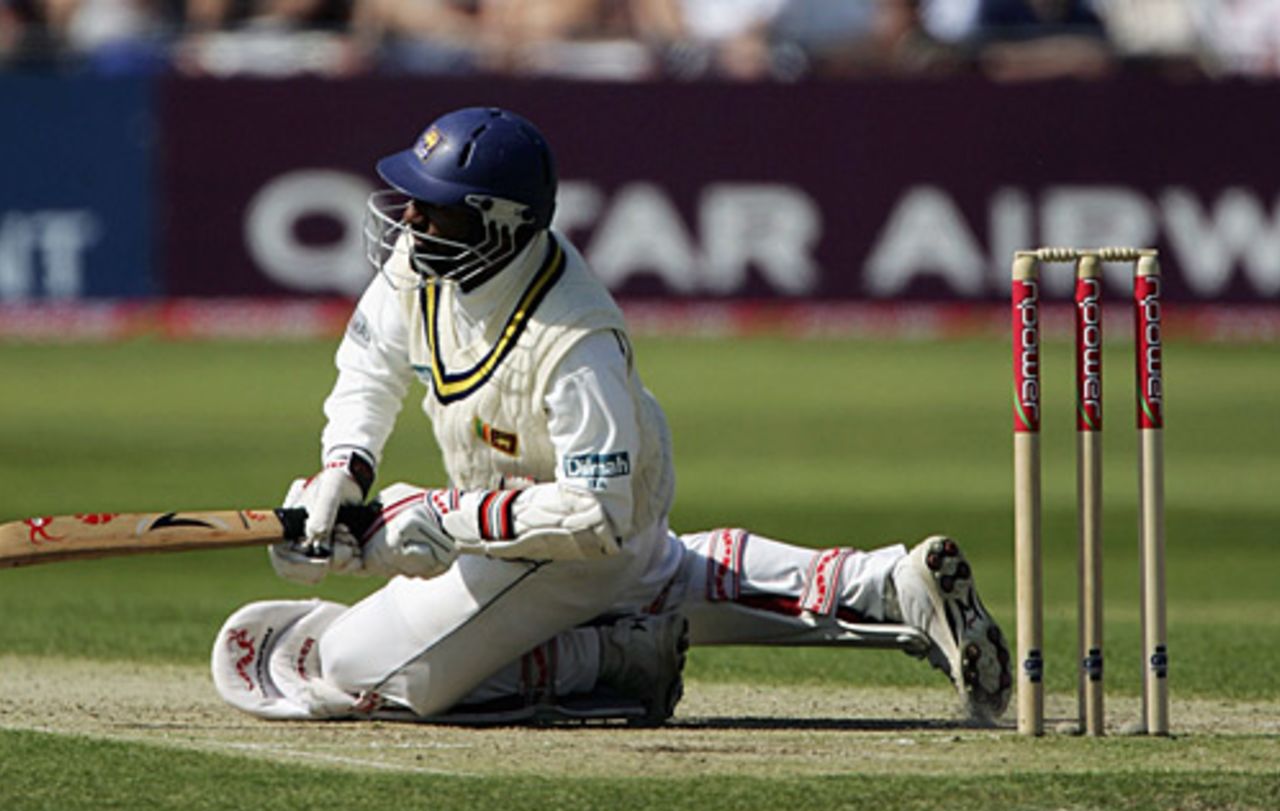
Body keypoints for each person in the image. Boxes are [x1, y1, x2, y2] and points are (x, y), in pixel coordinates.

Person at [211, 106, 1011, 727]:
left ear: (502, 223)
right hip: (532, 532)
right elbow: (368, 370)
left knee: (358, 671)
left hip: (581, 538)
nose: (413, 222)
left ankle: (610, 660)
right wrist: (344, 472)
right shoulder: (422, 265)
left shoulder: (576, 337)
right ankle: (889, 588)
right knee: (652, 576)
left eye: (438, 211)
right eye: (415, 203)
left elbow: (596, 517)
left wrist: (442, 520)